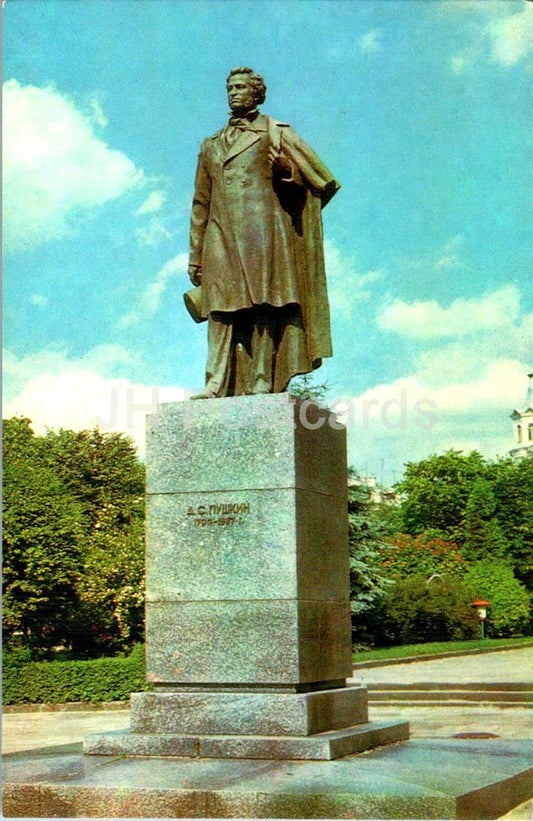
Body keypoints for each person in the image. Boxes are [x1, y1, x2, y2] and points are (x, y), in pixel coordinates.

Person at [188, 66, 340, 398]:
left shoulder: (277, 133)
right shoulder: (210, 144)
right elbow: (201, 202)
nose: (233, 92)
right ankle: (214, 382)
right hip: (220, 237)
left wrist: (288, 172)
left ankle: (261, 378)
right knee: (219, 311)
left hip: (263, 235)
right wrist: (195, 256)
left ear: (257, 93)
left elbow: (321, 181)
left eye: (241, 87)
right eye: (230, 87)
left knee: (263, 307)